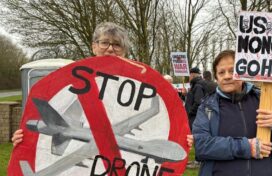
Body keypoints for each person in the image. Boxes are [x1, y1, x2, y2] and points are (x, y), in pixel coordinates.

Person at [12, 22, 194, 148]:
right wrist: (26, 139)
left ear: (124, 51)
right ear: (94, 46)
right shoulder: (73, 81)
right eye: (104, 43)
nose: (110, 49)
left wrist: (179, 137)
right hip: (80, 169)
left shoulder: (139, 86)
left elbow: (156, 122)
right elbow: (51, 122)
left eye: (117, 45)